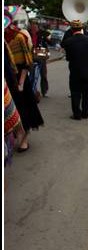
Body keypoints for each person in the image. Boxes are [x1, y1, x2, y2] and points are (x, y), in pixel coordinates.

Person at [4, 11, 44, 152]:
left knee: (23, 111)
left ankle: (24, 139)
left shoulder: (19, 37)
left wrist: (21, 83)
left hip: (19, 81)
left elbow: (27, 63)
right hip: (6, 83)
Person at [62, 20, 88, 120]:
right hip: (87, 71)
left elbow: (68, 57)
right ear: (82, 28)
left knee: (75, 93)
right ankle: (86, 113)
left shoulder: (68, 41)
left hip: (74, 72)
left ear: (72, 29)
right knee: (87, 93)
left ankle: (76, 114)